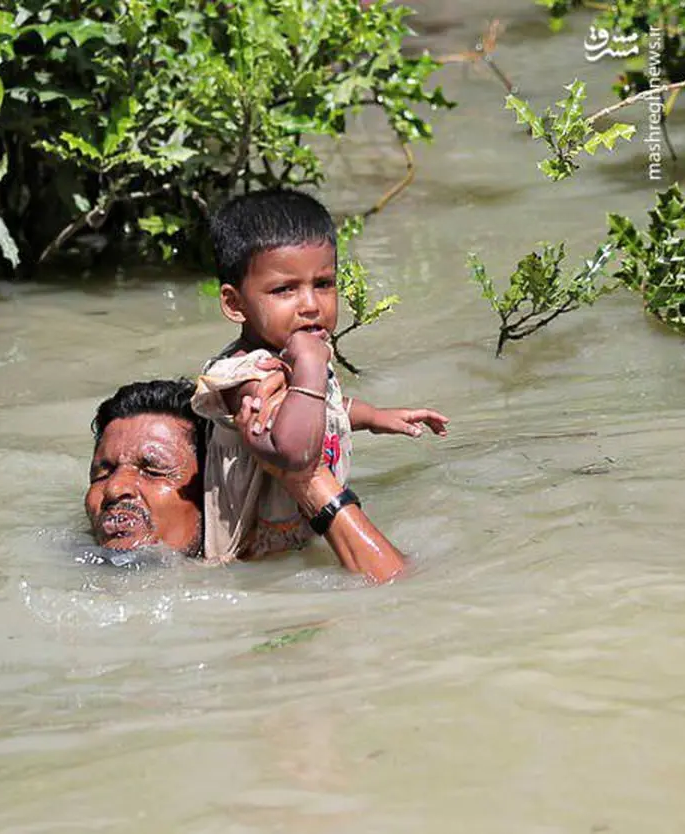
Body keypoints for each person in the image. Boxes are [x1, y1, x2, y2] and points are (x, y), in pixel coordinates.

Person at [192, 189, 449, 563]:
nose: (311, 305)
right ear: (235, 304)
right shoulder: (247, 376)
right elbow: (296, 453)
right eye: (284, 289)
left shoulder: (295, 355)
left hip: (303, 540)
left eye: (324, 284)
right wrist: (311, 365)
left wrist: (373, 417)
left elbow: (324, 406)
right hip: (252, 560)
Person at [85, 379, 405, 583]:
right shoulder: (75, 563)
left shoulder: (267, 576)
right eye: (103, 472)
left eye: (152, 470)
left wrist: (306, 478)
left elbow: (394, 589)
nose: (115, 488)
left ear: (214, 486)